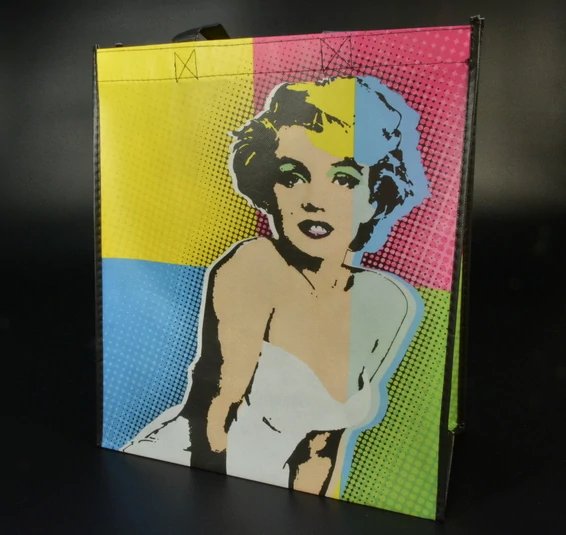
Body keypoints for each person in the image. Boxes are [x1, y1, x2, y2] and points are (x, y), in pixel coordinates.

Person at [122, 76, 428, 498]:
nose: (314, 199)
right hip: (193, 471)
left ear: (374, 198)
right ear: (268, 187)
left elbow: (322, 446)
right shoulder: (254, 265)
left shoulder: (388, 302)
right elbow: (215, 414)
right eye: (292, 175)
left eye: (343, 178)